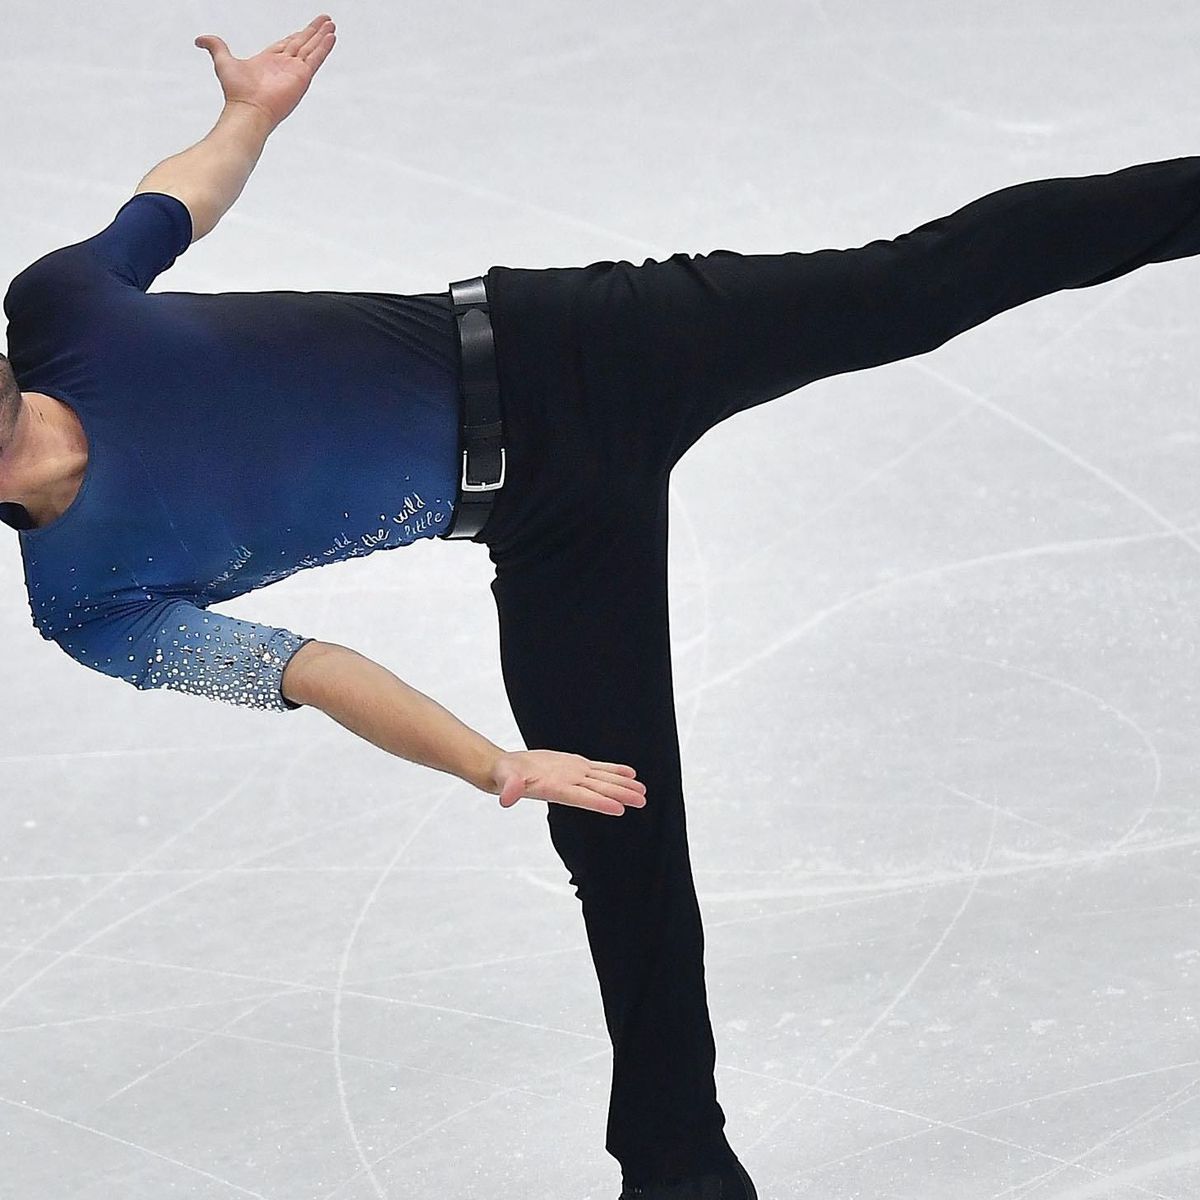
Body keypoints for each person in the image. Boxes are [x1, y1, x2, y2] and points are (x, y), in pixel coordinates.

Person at [8, 14, 1200, 1200]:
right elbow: (307, 669)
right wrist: (493, 764)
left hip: (574, 340)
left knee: (906, 288)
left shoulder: (56, 308)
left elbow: (171, 205)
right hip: (549, 527)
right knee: (616, 829)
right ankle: (680, 1172)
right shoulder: (88, 603)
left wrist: (247, 116)